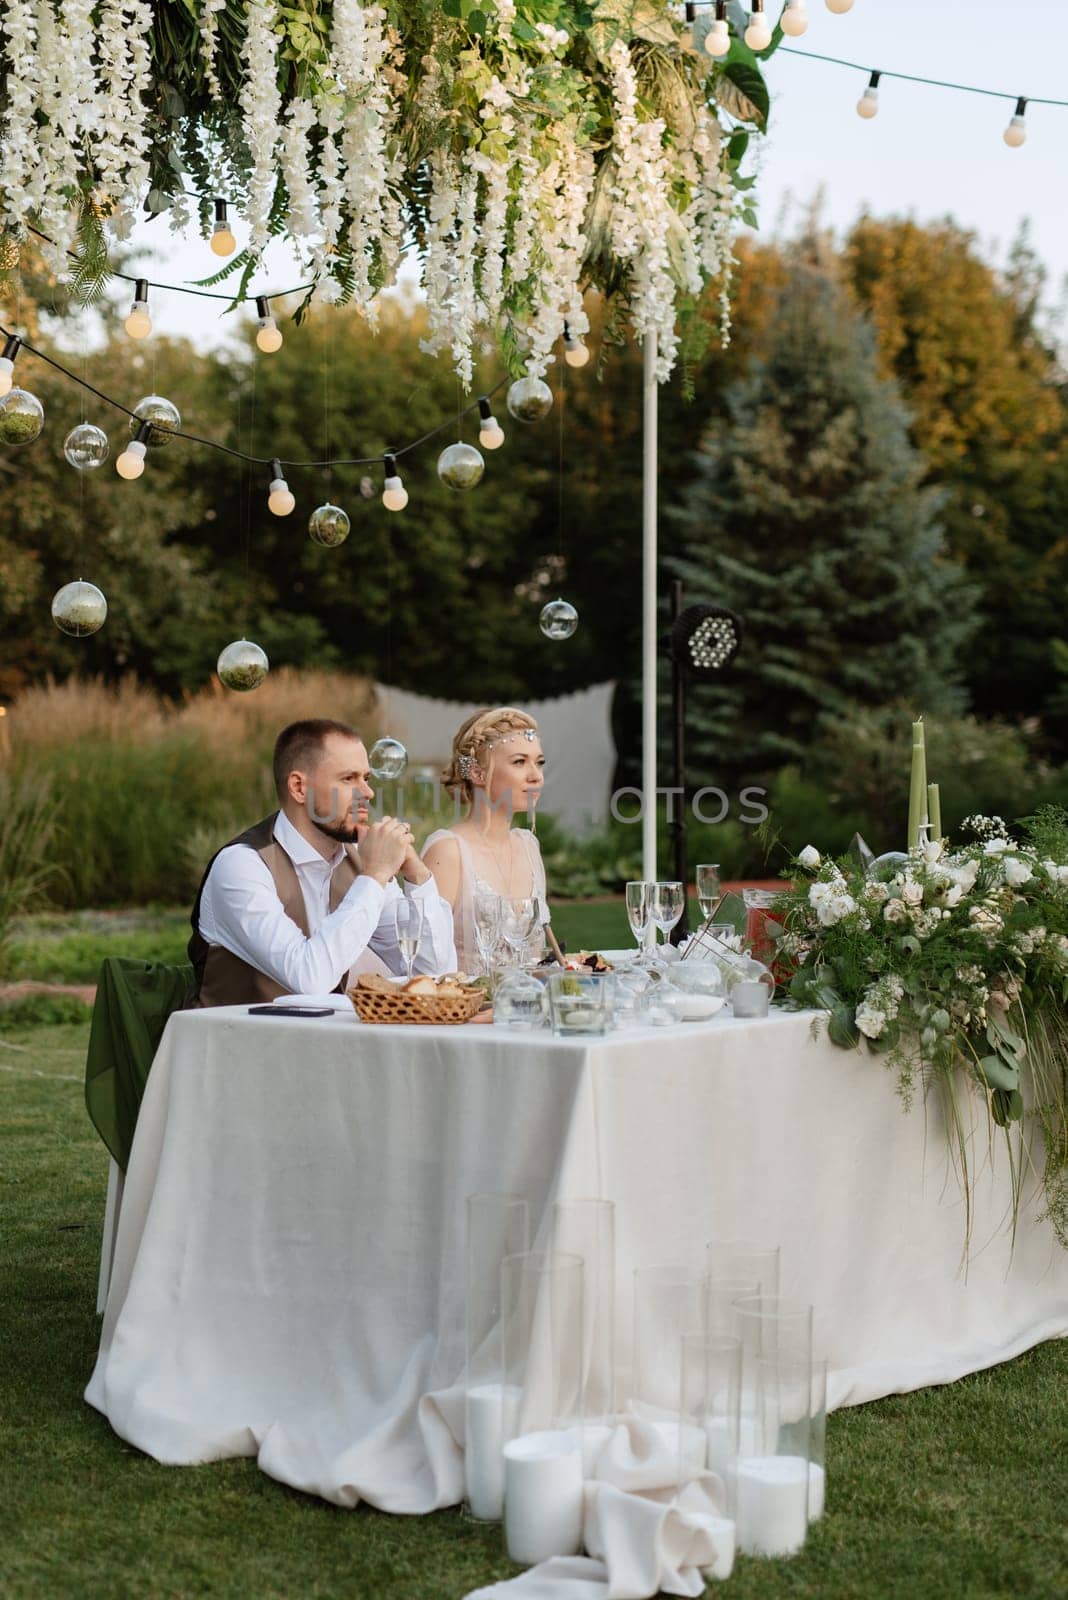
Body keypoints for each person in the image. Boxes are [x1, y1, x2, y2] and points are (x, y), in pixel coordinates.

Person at [189, 718, 456, 1006]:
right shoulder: (241, 866)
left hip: (323, 1046)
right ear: (299, 788)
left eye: (366, 778)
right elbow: (309, 978)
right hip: (235, 1045)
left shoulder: (357, 859)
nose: (367, 793)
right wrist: (375, 875)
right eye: (348, 779)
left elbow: (434, 973)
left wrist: (418, 876)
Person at [421, 706, 550, 974]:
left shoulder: (528, 845)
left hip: (525, 1008)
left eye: (539, 762)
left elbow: (536, 957)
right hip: (465, 1012)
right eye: (519, 762)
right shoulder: (447, 851)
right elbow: (425, 962)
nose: (535, 775)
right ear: (478, 774)